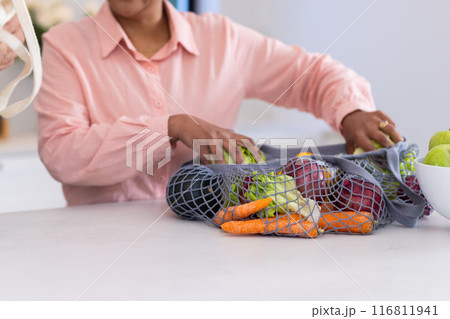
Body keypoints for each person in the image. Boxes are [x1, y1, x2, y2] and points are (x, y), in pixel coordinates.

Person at [34, 0, 403, 206]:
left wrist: (351, 111)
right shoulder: (64, 45)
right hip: (98, 246)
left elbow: (315, 74)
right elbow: (62, 153)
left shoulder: (222, 39)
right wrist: (171, 127)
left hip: (214, 239)